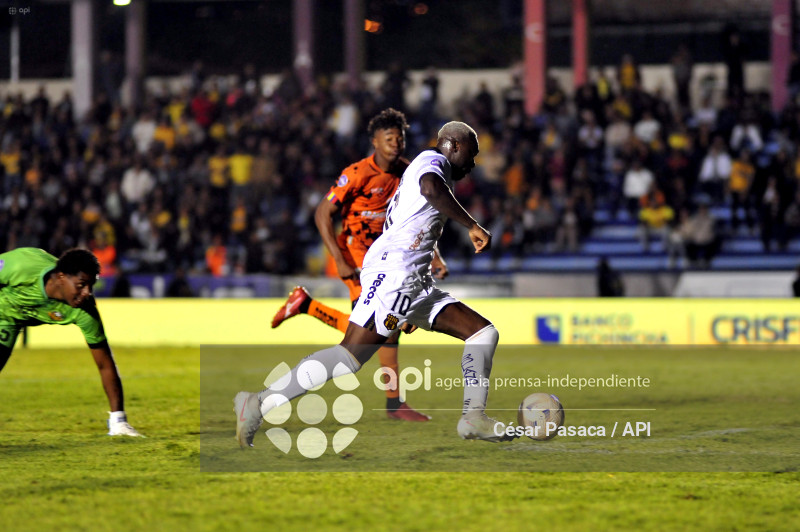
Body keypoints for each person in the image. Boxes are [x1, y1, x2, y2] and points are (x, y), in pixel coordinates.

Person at [236, 121, 512, 447]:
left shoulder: (430, 169)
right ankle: (259, 403)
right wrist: (472, 225)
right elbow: (429, 189)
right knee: (349, 357)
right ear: (452, 146)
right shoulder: (432, 161)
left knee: (482, 333)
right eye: (471, 153)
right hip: (396, 274)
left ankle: (473, 417)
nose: (473, 163)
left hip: (414, 281)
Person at [270, 109, 436, 422]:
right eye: (389, 138)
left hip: (387, 257)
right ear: (375, 142)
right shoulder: (357, 174)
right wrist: (338, 258)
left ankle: (306, 305)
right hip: (357, 256)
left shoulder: (408, 173)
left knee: (382, 329)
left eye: (399, 138)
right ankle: (394, 403)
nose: (395, 143)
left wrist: (434, 254)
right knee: (373, 330)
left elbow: (420, 217)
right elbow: (323, 212)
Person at [0, 248, 142, 437]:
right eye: (81, 285)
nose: (87, 292)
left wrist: (119, 420)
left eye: (91, 286)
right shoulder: (23, 265)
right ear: (61, 277)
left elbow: (105, 364)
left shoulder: (84, 312)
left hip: (8, 322)